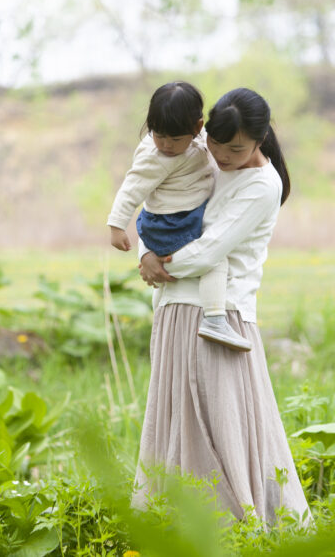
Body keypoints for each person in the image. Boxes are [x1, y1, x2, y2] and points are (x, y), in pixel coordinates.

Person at [132, 87, 309, 524]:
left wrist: (160, 263)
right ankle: (171, 523)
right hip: (174, 308)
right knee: (176, 423)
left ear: (260, 139)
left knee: (224, 426)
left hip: (221, 315)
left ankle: (234, 525)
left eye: (235, 149)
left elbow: (212, 251)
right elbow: (157, 202)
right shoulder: (196, 154)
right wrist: (143, 251)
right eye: (215, 143)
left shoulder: (264, 184)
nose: (222, 156)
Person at [107, 81, 251, 351]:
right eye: (159, 136)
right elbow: (131, 188)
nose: (166, 145)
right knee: (215, 260)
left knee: (208, 255)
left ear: (197, 128)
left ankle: (166, 308)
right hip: (172, 223)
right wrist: (117, 224)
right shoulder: (156, 157)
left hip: (181, 216)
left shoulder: (197, 140)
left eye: (175, 139)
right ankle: (215, 318)